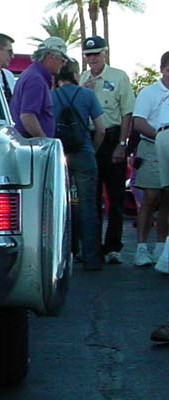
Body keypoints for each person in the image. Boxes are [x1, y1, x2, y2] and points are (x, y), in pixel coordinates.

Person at [80, 36, 136, 265]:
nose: (92, 59)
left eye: (96, 54)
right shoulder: (83, 78)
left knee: (115, 196)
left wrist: (122, 144)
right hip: (89, 138)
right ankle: (92, 248)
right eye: (88, 55)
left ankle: (113, 246)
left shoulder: (118, 77)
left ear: (105, 53)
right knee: (90, 197)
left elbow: (127, 113)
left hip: (112, 138)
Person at [53, 60, 106, 271]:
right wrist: (92, 149)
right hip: (83, 153)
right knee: (88, 206)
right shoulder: (88, 95)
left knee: (60, 206)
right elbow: (101, 129)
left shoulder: (51, 96)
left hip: (60, 154)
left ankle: (64, 256)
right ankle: (91, 257)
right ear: (75, 73)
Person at [132, 50, 169, 274]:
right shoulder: (150, 92)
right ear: (163, 69)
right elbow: (138, 122)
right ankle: (141, 247)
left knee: (167, 198)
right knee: (151, 197)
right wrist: (161, 136)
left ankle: (162, 246)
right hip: (151, 145)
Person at [9, 37, 71, 139]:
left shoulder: (32, 74)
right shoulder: (36, 80)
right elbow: (27, 116)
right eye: (63, 60)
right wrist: (45, 142)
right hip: (32, 145)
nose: (63, 64)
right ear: (51, 56)